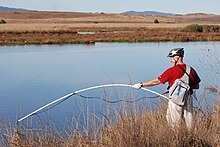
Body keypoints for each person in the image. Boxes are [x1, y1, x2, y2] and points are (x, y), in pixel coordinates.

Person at [132, 47, 201, 130]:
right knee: (190, 122)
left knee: (174, 123)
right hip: (189, 99)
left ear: (177, 57)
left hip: (175, 100)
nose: (170, 60)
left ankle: (177, 139)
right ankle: (193, 139)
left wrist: (141, 84)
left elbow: (156, 81)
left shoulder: (171, 70)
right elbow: (197, 86)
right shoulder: (191, 70)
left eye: (171, 58)